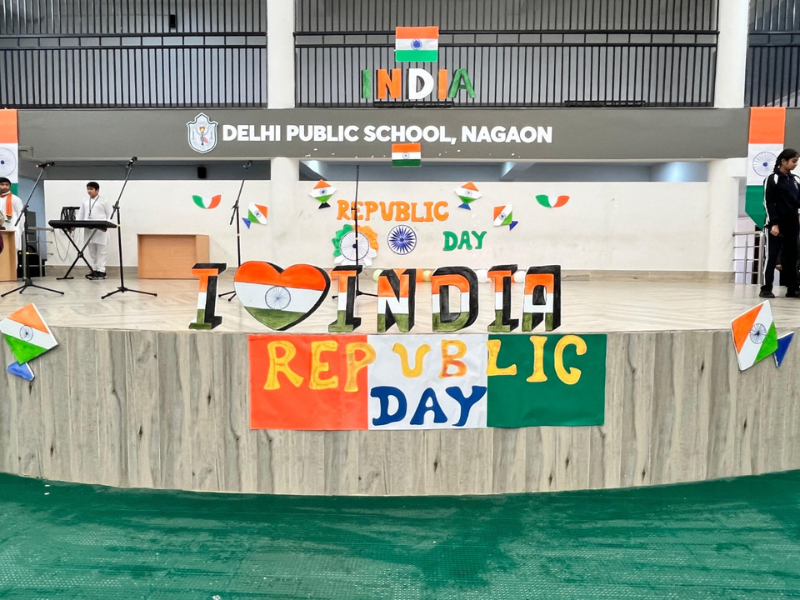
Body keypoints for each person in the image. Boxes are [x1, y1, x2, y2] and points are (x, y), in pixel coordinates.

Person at [760, 148, 800, 298]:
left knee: (792, 256)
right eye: (793, 161)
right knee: (772, 256)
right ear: (783, 161)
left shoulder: (796, 180)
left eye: (797, 161)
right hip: (775, 224)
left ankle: (792, 288)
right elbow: (768, 202)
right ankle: (766, 288)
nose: (796, 164)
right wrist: (774, 223)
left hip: (792, 223)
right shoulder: (772, 179)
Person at [76, 181, 113, 280]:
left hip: (101, 229)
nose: (89, 191)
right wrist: (75, 224)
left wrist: (106, 224)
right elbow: (80, 214)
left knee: (101, 251)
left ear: (97, 190)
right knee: (92, 251)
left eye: (91, 189)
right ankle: (94, 270)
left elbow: (110, 214)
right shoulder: (84, 200)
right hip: (88, 228)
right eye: (88, 189)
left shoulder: (104, 200)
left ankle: (101, 271)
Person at [0, 176, 25, 259]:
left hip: (12, 227)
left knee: (12, 253)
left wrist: (20, 230)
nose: (4, 187)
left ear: (10, 186)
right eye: (2, 184)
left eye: (7, 185)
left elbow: (21, 215)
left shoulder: (16, 199)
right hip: (1, 228)